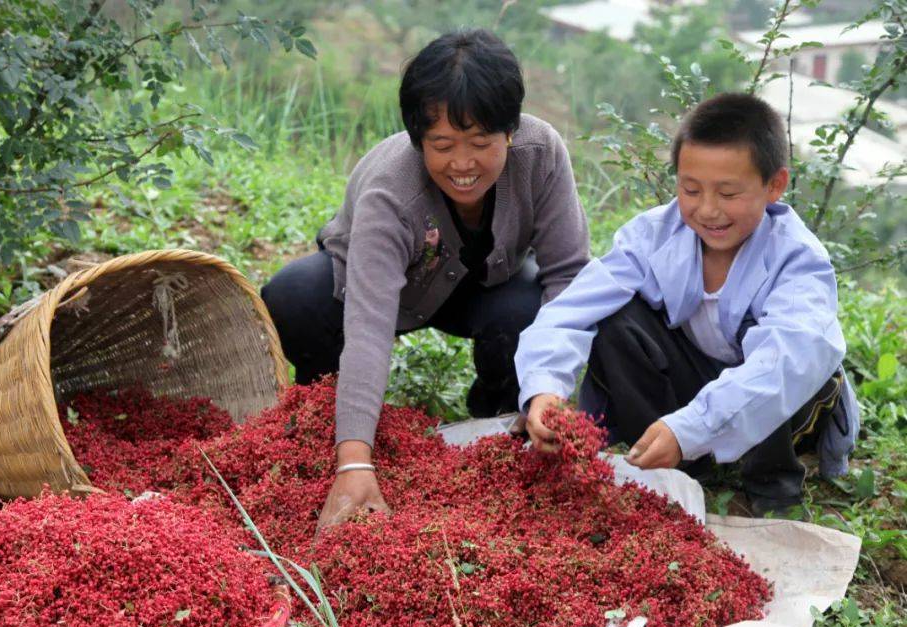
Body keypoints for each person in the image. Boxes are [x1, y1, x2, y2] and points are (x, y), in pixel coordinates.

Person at [261, 29, 590, 529]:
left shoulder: (540, 154)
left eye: (481, 143)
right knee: (296, 297)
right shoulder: (390, 192)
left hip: (485, 287)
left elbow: (568, 274)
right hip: (380, 290)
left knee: (526, 310)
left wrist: (547, 387)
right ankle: (332, 414)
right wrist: (354, 462)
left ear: (510, 131)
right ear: (418, 141)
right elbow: (368, 329)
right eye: (442, 145)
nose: (463, 164)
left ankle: (504, 417)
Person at [515, 93, 859, 516]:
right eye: (690, 189)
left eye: (729, 193)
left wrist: (693, 425)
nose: (708, 210)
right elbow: (572, 309)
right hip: (700, 377)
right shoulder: (655, 235)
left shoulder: (797, 260)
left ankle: (772, 488)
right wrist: (543, 388)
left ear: (775, 185)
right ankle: (677, 458)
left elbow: (783, 365)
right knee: (617, 321)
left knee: (785, 366)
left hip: (787, 394)